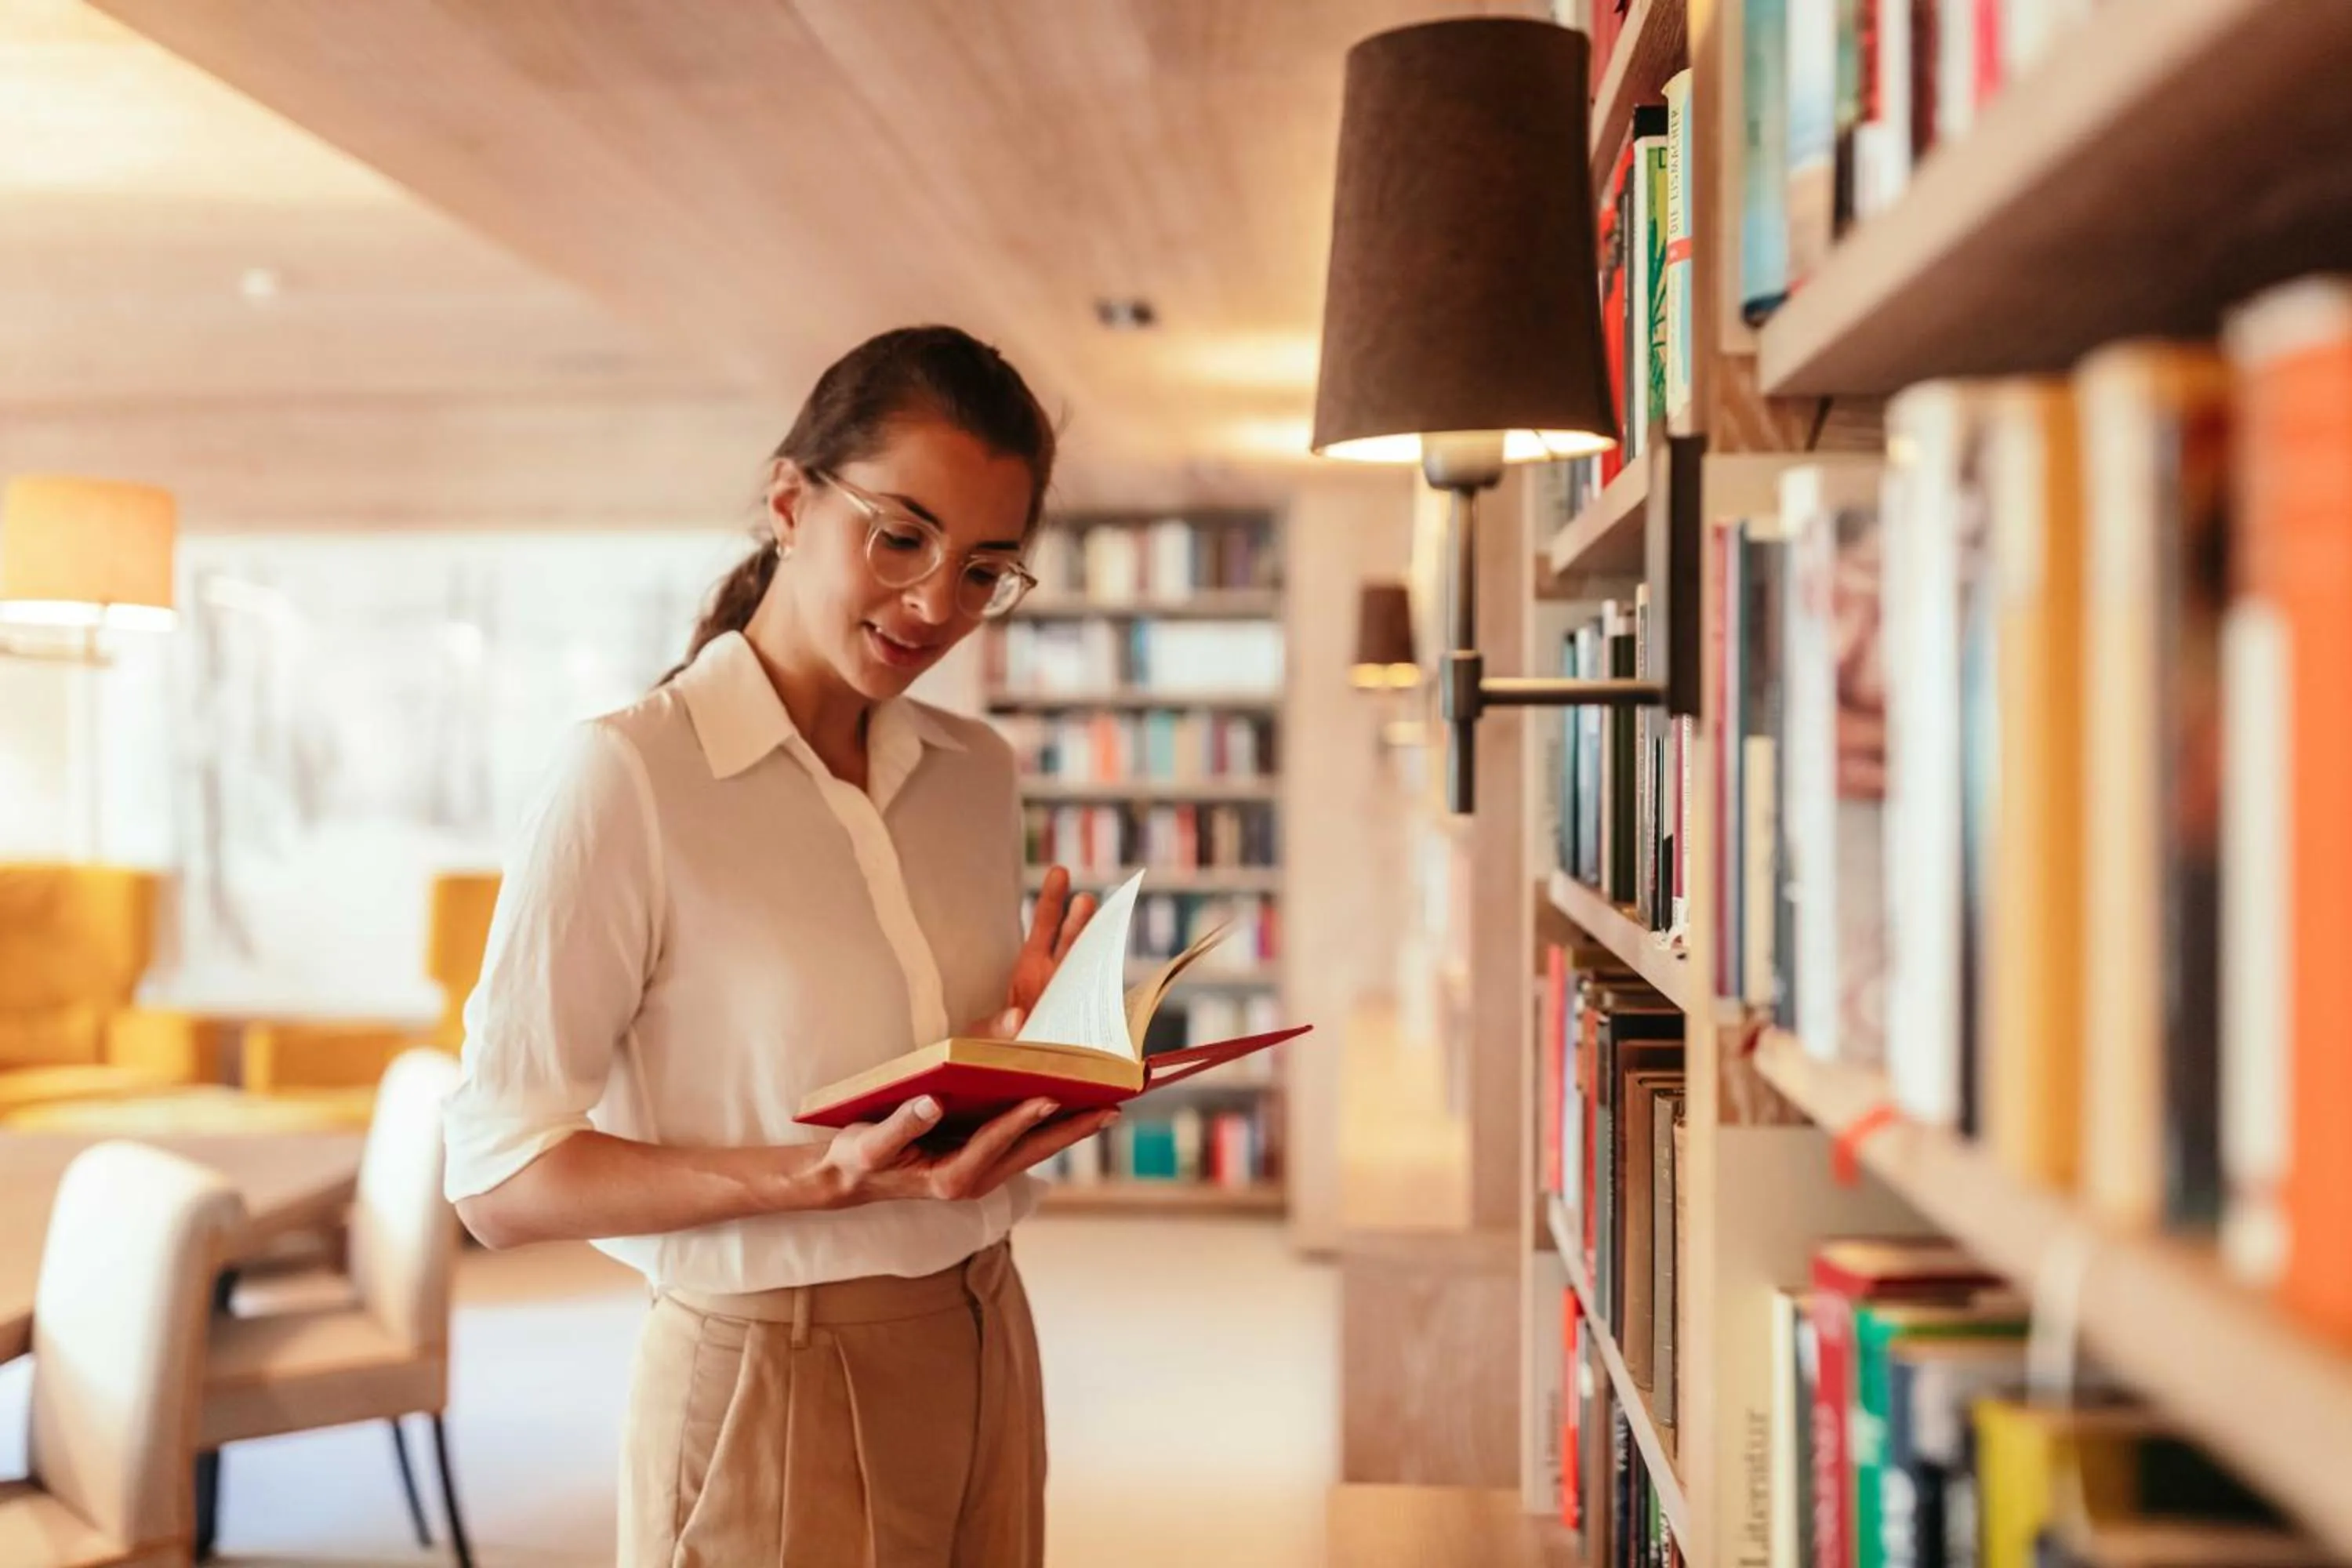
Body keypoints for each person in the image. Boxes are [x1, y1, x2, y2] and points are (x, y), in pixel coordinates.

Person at [440, 325, 1109, 1566]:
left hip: (986, 1334)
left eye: (984, 570)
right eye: (901, 535)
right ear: (791, 503)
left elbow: (907, 1078)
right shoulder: (632, 776)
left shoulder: (976, 773)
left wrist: (1021, 1053)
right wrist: (813, 1177)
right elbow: (495, 1176)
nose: (934, 604)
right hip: (770, 1371)